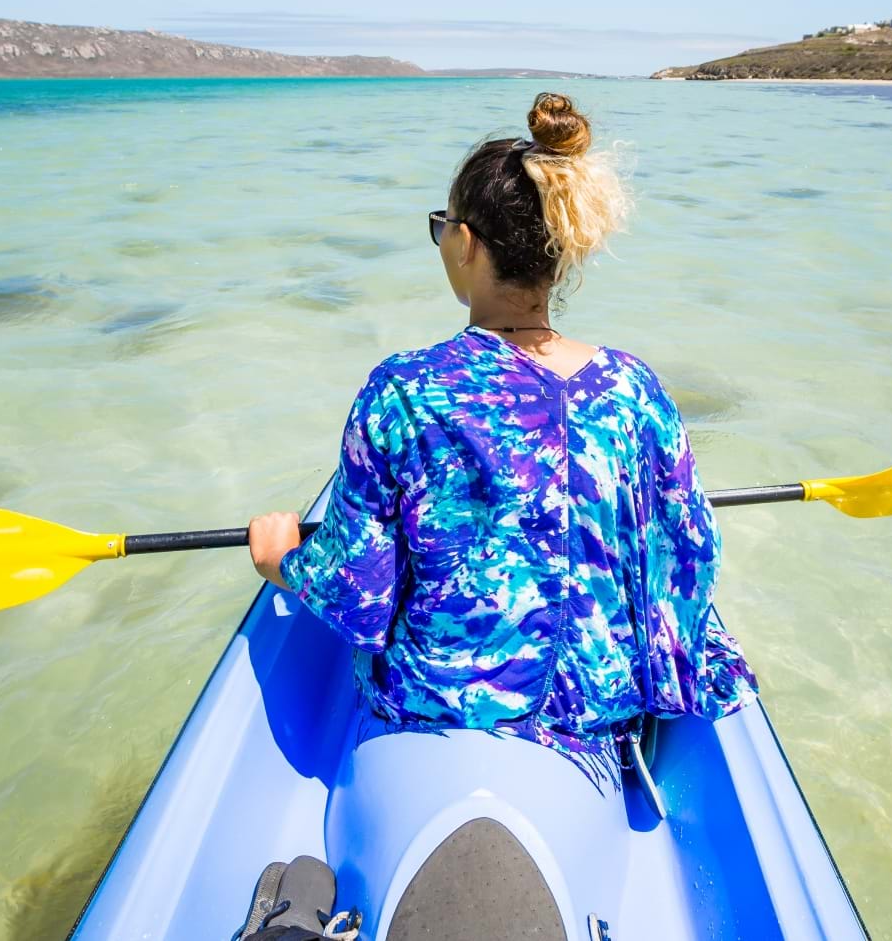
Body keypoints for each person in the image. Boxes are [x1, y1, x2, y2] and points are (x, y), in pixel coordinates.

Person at [245, 92, 756, 789]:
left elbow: (357, 595)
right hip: (598, 717)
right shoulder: (635, 390)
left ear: (465, 243)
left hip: (437, 709)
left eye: (443, 227)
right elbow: (690, 551)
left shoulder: (404, 391)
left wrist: (281, 559)